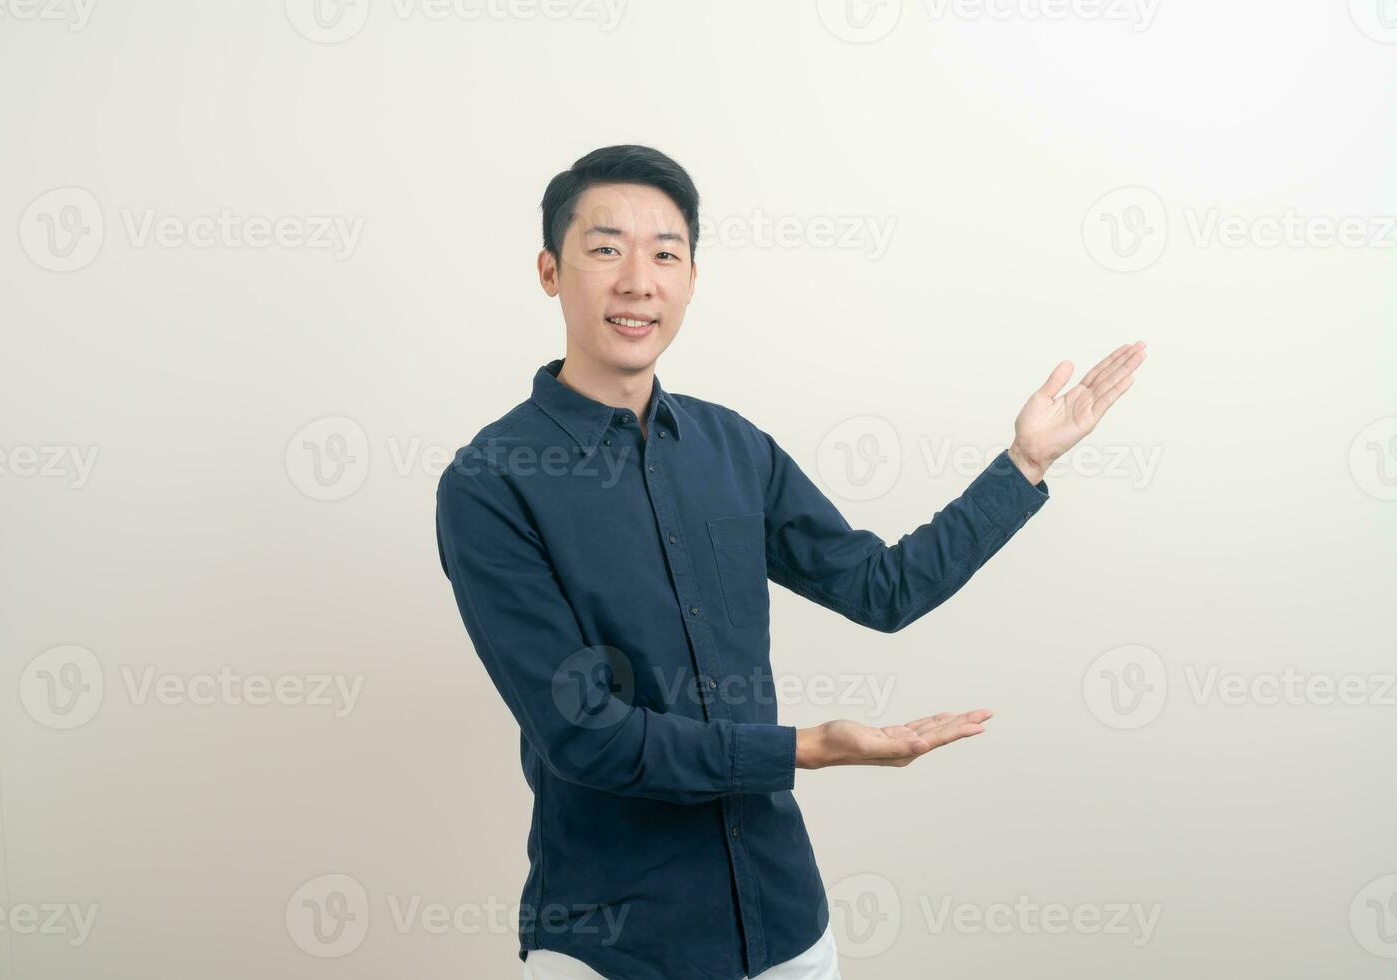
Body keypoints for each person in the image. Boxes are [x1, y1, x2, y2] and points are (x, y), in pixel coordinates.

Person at [434, 145, 1147, 980]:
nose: (638, 281)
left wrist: (1023, 466)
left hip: (785, 932)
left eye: (666, 252)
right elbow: (584, 737)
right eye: (605, 248)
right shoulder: (490, 483)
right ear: (552, 271)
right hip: (613, 948)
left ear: (693, 278)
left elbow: (881, 588)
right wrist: (802, 748)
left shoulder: (732, 446)